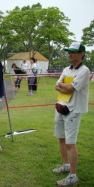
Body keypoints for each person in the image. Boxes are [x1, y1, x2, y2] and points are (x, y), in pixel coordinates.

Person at [53, 42, 90, 186]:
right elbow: (58, 86)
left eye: (73, 52)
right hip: (61, 106)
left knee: (70, 143)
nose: (69, 54)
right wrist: (65, 86)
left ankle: (73, 176)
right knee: (61, 138)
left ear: (81, 54)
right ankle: (66, 165)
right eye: (69, 52)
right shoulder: (66, 69)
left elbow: (70, 89)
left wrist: (65, 86)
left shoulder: (84, 70)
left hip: (74, 110)